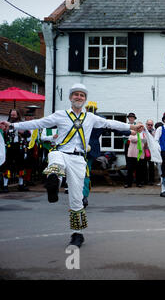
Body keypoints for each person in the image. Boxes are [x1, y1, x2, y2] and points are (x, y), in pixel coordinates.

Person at [0, 83, 143, 248]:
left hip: (78, 159)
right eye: (76, 94)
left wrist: (131, 126)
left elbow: (110, 124)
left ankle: (77, 234)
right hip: (60, 152)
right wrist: (12, 125)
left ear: (85, 99)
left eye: (82, 95)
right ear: (70, 98)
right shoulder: (60, 115)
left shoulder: (91, 118)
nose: (79, 97)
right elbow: (38, 123)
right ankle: (53, 183)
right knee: (55, 159)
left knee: (77, 199)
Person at [83, 102, 131, 207]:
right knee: (86, 172)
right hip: (92, 148)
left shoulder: (81, 117)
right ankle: (84, 196)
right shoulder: (100, 119)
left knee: (82, 172)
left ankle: (80, 195)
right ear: (96, 109)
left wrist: (129, 131)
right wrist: (129, 132)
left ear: (86, 108)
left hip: (80, 146)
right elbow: (114, 128)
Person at [1, 109, 30, 192]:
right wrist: (4, 131)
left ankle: (21, 185)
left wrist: (21, 132)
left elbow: (28, 134)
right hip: (9, 148)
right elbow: (2, 134)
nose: (13, 116)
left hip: (19, 147)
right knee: (7, 166)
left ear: (18, 115)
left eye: (14, 115)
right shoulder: (5, 123)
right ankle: (5, 186)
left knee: (20, 166)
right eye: (11, 115)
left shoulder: (21, 124)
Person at [125, 121, 147, 188]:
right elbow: (132, 139)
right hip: (131, 154)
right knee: (130, 170)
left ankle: (139, 183)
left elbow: (146, 143)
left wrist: (144, 141)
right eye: (138, 127)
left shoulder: (144, 134)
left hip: (140, 155)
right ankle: (128, 183)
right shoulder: (133, 132)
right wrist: (141, 139)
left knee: (139, 170)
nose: (140, 128)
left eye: (141, 127)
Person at [145, 119, 156, 185]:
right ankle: (145, 180)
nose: (150, 126)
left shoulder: (154, 132)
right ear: (146, 124)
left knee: (151, 166)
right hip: (144, 150)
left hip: (151, 151)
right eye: (148, 125)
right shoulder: (143, 131)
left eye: (151, 125)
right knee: (144, 166)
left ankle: (151, 180)